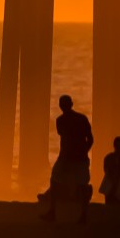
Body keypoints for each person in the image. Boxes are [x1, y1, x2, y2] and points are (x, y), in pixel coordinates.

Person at [42, 94, 94, 222]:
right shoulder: (82, 118)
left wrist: (78, 152)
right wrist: (84, 151)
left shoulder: (60, 120)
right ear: (71, 104)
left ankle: (53, 211)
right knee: (81, 185)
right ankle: (83, 214)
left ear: (61, 106)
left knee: (55, 181)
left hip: (65, 157)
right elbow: (90, 139)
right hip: (78, 157)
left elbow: (64, 137)